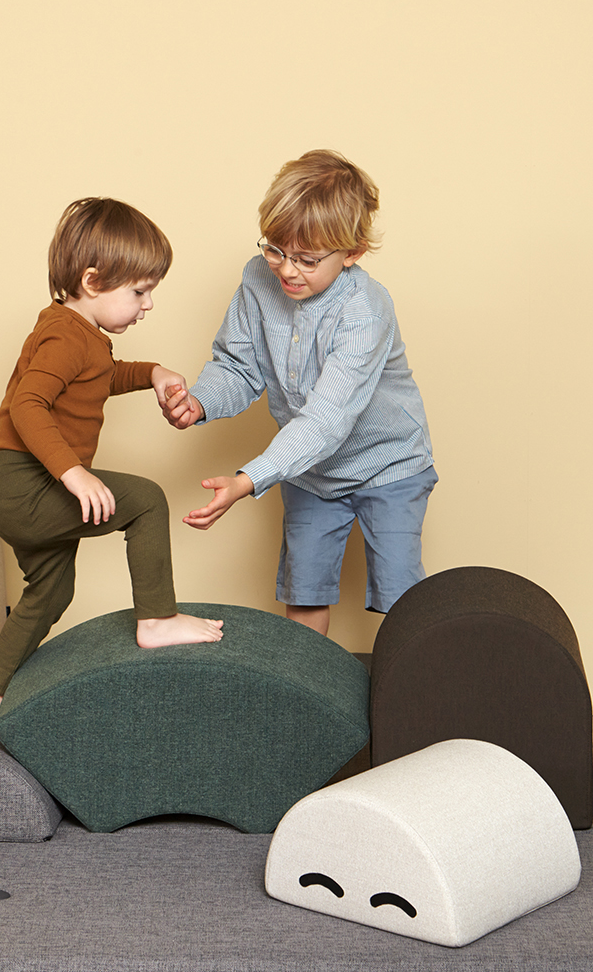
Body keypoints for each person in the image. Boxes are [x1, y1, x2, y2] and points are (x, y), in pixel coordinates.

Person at [162, 149, 436, 638]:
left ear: (351, 253)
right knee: (304, 591)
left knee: (400, 597)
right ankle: (311, 705)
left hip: (388, 464)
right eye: (276, 250)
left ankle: (406, 703)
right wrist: (200, 402)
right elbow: (238, 366)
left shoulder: (364, 311)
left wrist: (249, 479)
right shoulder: (257, 280)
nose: (287, 270)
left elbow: (325, 420)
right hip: (310, 471)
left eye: (307, 260)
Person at [0, 198, 223, 712]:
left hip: (17, 487)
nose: (147, 304)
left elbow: (102, 377)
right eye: (139, 291)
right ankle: (157, 619)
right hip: (26, 484)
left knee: (52, 589)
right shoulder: (65, 335)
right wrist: (73, 474)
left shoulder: (79, 334)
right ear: (91, 281)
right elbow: (27, 404)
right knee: (147, 499)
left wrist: (151, 372)